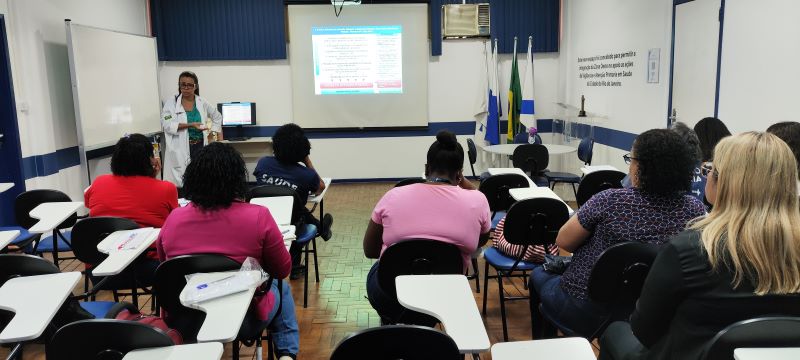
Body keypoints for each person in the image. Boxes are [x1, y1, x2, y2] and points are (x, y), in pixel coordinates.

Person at [599, 132, 800, 360]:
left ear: (723, 183)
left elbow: (644, 330)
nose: (707, 176)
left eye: (711, 170)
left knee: (615, 332)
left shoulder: (690, 249)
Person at [530, 129, 706, 338]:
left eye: (631, 160)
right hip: (649, 312)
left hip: (585, 307)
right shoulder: (694, 209)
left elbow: (564, 241)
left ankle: (544, 345)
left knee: (538, 275)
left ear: (641, 167)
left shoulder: (610, 200)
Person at [157, 143, 298, 360]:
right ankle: (287, 355)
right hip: (244, 319)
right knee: (283, 288)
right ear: (236, 178)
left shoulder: (173, 219)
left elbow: (165, 268)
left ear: (193, 178)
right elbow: (282, 269)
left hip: (187, 319)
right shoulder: (259, 216)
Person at [363, 130, 491, 323]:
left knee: (381, 266)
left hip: (390, 294)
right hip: (445, 295)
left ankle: (394, 324)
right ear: (459, 173)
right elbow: (479, 241)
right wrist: (461, 181)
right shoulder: (477, 201)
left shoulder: (394, 196)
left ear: (426, 167)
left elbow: (370, 250)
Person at [84, 133, 179, 284]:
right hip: (148, 269)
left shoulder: (98, 183)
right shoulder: (166, 189)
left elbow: (90, 205)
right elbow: (176, 220)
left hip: (100, 271)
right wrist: (153, 177)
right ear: (149, 160)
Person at [253, 123, 333, 278]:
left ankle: (322, 228)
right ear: (302, 149)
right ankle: (296, 265)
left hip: (262, 221)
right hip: (291, 225)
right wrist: (307, 160)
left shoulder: (263, 163)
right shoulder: (306, 175)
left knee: (294, 207)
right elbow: (320, 187)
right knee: (298, 213)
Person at [161, 71, 223, 187]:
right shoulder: (172, 102)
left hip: (199, 146)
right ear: (179, 86)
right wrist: (190, 125)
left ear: (195, 86)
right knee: (182, 181)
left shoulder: (201, 102)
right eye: (182, 84)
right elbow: (168, 125)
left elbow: (217, 116)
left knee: (200, 178)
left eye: (190, 85)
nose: (186, 88)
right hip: (180, 147)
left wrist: (212, 133)